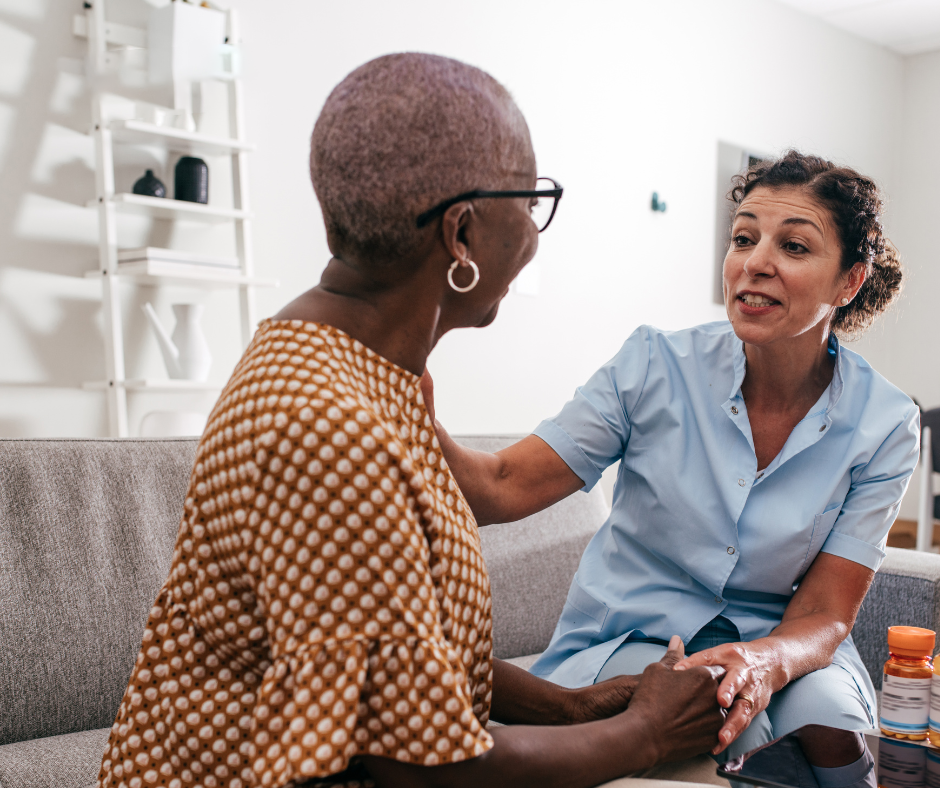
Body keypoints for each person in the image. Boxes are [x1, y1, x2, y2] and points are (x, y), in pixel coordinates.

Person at [95, 53, 726, 788]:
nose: (534, 229)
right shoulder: (328, 430)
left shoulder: (350, 367)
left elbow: (383, 643)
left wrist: (572, 709)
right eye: (530, 200)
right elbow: (421, 773)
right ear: (460, 235)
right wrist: (644, 735)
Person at [429, 150, 920, 787]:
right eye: (743, 238)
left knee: (837, 741)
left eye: (794, 247)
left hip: (785, 641)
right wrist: (415, 402)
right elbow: (501, 485)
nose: (755, 261)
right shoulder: (653, 365)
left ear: (849, 282)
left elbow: (826, 613)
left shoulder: (884, 422)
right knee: (733, 730)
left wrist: (764, 662)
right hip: (635, 634)